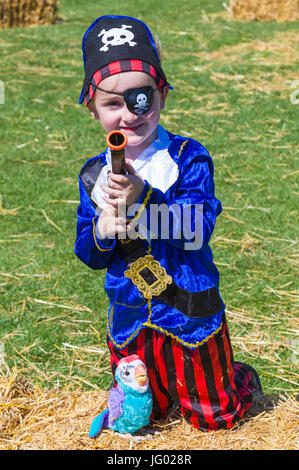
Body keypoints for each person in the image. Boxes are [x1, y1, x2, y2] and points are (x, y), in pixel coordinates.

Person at [75, 15, 262, 431]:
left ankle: (239, 379)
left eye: (140, 98)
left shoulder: (187, 157)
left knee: (213, 419)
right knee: (144, 416)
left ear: (160, 95)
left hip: (188, 312)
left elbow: (196, 229)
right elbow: (87, 252)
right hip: (129, 318)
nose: (128, 114)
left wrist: (143, 198)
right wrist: (102, 231)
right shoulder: (93, 175)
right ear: (92, 109)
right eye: (111, 103)